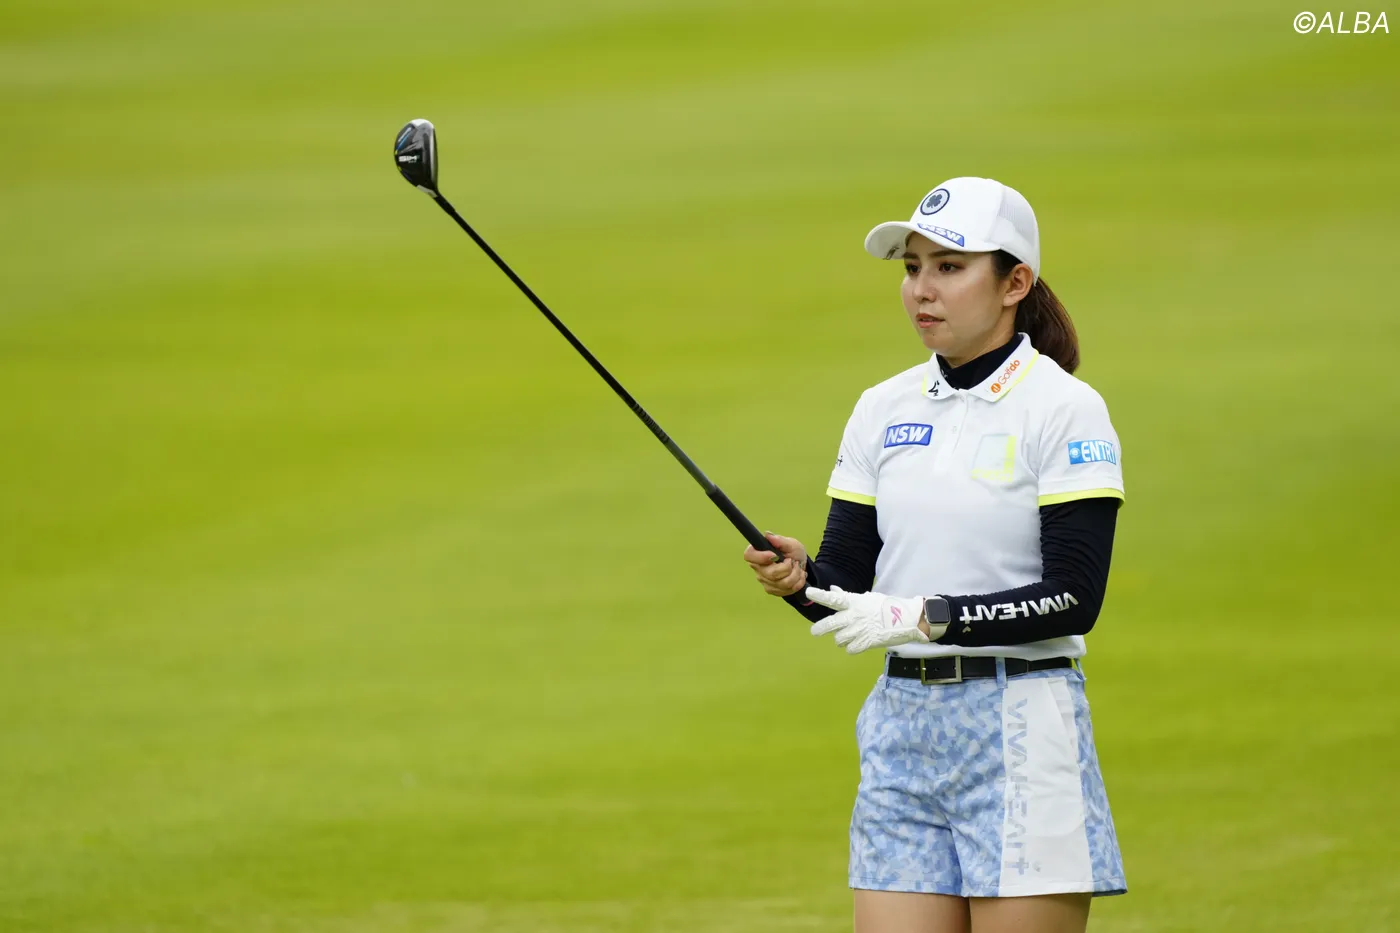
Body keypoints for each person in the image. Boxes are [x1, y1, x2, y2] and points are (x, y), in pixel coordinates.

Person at [742, 177, 1127, 933]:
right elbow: (848, 588)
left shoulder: (1064, 408)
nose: (922, 289)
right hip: (902, 731)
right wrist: (800, 579)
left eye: (950, 268)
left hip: (1021, 727)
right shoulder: (882, 407)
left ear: (1015, 283)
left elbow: (1074, 597)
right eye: (913, 268)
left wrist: (926, 616)